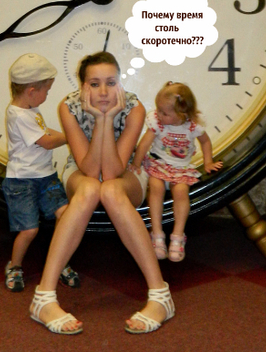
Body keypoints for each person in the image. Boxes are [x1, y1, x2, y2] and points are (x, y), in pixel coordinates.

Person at [29, 51, 174, 336]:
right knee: (89, 189)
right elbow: (88, 168)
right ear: (83, 86)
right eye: (94, 84)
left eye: (111, 82)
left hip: (126, 169)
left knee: (109, 189)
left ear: (120, 82)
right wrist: (100, 119)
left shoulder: (134, 107)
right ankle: (43, 298)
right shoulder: (68, 106)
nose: (104, 91)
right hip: (81, 169)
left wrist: (107, 119)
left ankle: (160, 295)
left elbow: (112, 172)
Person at [2, 53, 79, 293]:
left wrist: (66, 133)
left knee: (65, 215)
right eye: (46, 90)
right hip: (22, 181)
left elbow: (46, 132)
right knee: (29, 229)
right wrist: (72, 135)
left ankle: (60, 261)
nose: (47, 95)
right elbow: (46, 141)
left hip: (45, 176)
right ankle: (14, 266)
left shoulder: (30, 109)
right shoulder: (18, 115)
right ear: (32, 90)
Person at [131, 81, 223, 262]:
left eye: (164, 113)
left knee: (181, 192)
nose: (159, 114)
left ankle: (178, 236)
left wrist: (208, 162)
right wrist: (136, 163)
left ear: (183, 114)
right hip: (158, 164)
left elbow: (205, 142)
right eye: (158, 110)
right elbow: (144, 144)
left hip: (180, 169)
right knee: (155, 188)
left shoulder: (193, 126)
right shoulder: (158, 123)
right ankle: (157, 233)